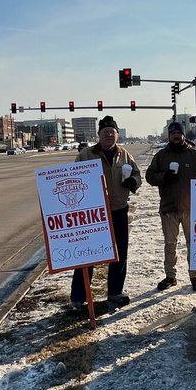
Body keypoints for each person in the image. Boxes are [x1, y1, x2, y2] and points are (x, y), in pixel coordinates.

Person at [145, 120, 196, 292]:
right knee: (170, 243)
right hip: (169, 208)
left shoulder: (195, 155)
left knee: (193, 243)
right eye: (172, 133)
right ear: (169, 135)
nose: (176, 136)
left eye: (178, 133)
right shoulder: (161, 156)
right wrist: (163, 177)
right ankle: (170, 276)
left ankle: (194, 276)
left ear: (183, 135)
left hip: (191, 207)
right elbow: (150, 176)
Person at [70, 116, 141, 312]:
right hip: (94, 214)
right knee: (87, 256)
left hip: (119, 210)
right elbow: (72, 178)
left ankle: (115, 292)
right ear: (99, 135)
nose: (109, 135)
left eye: (112, 132)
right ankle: (78, 297)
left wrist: (133, 183)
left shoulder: (124, 154)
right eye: (105, 132)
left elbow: (137, 174)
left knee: (120, 254)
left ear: (117, 134)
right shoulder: (86, 155)